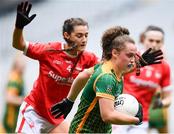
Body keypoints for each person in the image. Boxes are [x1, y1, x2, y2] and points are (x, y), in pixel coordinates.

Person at [13, 1, 99, 133]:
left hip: (55, 118)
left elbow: (108, 68)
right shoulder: (49, 50)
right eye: (79, 35)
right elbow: (18, 45)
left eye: (86, 35)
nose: (84, 40)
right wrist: (19, 27)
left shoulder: (88, 59)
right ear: (66, 35)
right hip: (34, 113)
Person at [68, 26, 143, 133]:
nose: (133, 60)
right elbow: (107, 116)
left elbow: (83, 74)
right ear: (115, 53)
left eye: (134, 56)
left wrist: (69, 100)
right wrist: (135, 119)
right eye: (129, 55)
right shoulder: (106, 78)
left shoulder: (112, 69)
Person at [112, 25, 171, 134]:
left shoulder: (164, 67)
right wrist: (138, 64)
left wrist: (161, 103)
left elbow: (168, 98)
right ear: (143, 40)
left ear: (162, 43)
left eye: (158, 41)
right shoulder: (132, 57)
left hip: (141, 119)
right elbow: (114, 74)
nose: (154, 44)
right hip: (120, 112)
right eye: (151, 40)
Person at [2, 54, 25, 133]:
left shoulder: (19, 78)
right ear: (17, 64)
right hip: (10, 121)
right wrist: (25, 101)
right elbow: (9, 98)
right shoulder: (14, 78)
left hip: (13, 120)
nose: (24, 65)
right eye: (22, 63)